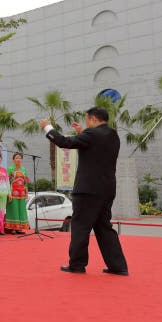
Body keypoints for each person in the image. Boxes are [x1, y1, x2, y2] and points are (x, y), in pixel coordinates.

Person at [41, 107, 128, 275]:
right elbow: (94, 148)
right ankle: (118, 266)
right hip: (107, 189)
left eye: (87, 120)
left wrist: (48, 127)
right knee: (104, 228)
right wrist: (82, 133)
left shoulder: (92, 135)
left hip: (88, 190)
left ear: (94, 119)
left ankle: (77, 264)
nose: (86, 122)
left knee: (81, 226)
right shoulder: (113, 135)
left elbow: (64, 142)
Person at [6, 153, 30, 234]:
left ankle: (19, 228)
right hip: (12, 193)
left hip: (22, 193)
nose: (18, 159)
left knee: (21, 210)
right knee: (13, 209)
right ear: (13, 160)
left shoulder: (24, 169)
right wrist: (8, 193)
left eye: (20, 158)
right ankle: (12, 228)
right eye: (16, 158)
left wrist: (26, 193)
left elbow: (26, 182)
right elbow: (6, 181)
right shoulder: (10, 169)